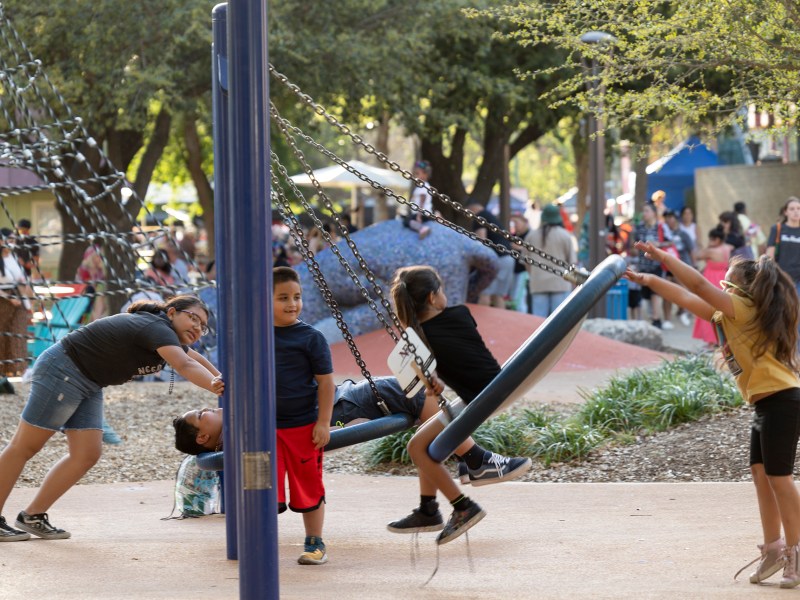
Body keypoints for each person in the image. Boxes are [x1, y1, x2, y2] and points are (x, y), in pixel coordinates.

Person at [625, 242, 800, 589]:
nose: (720, 285)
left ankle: (795, 550)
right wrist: (649, 279)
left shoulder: (745, 308)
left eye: (728, 282)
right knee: (760, 474)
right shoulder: (727, 314)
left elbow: (698, 287)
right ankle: (774, 548)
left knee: (779, 478)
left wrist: (664, 258)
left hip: (783, 400)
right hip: (764, 404)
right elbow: (687, 299)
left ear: (743, 290)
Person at [0, 295, 224, 542]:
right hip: (64, 371)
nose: (197, 327)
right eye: (193, 318)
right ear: (171, 313)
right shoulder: (155, 327)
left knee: (86, 454)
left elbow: (197, 359)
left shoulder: (167, 336)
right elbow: (185, 366)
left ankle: (33, 515)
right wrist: (220, 388)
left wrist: (225, 381)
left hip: (89, 381)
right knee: (24, 446)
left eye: (202, 326)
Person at [387, 265, 531, 545]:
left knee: (416, 448)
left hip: (479, 398)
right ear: (432, 297)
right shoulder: (461, 314)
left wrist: (432, 380)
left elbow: (427, 380)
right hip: (488, 391)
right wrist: (434, 381)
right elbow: (459, 355)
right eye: (441, 289)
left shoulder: (419, 342)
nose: (445, 295)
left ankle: (463, 505)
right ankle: (429, 508)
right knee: (424, 444)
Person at [274, 266, 334, 564]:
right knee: (261, 483)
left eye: (297, 296)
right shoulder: (254, 336)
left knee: (308, 484)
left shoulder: (311, 337)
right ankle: (259, 538)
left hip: (302, 426)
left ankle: (315, 542)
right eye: (283, 297)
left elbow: (326, 382)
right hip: (264, 428)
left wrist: (323, 422)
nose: (292, 303)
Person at [523, 203, 576, 318]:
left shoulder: (531, 235)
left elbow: (526, 261)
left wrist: (533, 275)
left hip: (538, 282)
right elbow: (572, 262)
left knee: (539, 321)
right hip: (561, 282)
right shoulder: (564, 235)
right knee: (559, 320)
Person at [468, 202, 515, 308]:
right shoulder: (491, 217)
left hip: (497, 259)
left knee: (485, 293)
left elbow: (481, 240)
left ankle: (482, 323)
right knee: (498, 295)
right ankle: (501, 322)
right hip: (508, 258)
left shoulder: (480, 217)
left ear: (472, 209)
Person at [691, 227, 733, 346]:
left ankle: (711, 341)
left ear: (717, 240)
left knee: (709, 308)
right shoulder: (727, 248)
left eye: (711, 239)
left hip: (712, 280)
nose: (709, 241)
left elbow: (697, 256)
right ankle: (722, 340)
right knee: (722, 310)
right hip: (724, 280)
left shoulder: (711, 251)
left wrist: (702, 244)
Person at [630, 203, 667, 329]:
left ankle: (656, 319)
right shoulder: (639, 228)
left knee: (655, 292)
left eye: (647, 211)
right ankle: (652, 317)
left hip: (657, 264)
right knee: (646, 294)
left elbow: (671, 241)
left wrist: (659, 245)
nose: (644, 214)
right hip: (643, 265)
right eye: (643, 211)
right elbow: (633, 245)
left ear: (653, 213)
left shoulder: (661, 227)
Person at [0, 230, 30, 377]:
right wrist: (8, 297)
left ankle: (19, 368)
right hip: (3, 301)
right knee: (3, 334)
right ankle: (4, 370)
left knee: (18, 333)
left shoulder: (14, 258)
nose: (12, 242)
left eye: (14, 239)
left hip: (19, 298)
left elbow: (21, 279)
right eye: (9, 239)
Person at [766, 196, 800, 296]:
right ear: (786, 212)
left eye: (798, 208)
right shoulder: (777, 228)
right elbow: (769, 255)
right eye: (792, 209)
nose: (796, 211)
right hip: (781, 277)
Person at [75, 238, 107, 322]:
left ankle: (97, 318)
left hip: (95, 296)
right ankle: (94, 319)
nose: (99, 259)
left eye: (100, 256)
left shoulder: (100, 270)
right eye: (97, 256)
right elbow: (82, 285)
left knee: (101, 290)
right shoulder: (84, 269)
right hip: (84, 296)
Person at [402, 160, 434, 240]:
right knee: (406, 217)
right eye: (415, 173)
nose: (416, 176)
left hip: (422, 213)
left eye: (418, 173)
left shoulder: (423, 186)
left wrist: (419, 216)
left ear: (425, 174)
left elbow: (422, 201)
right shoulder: (423, 186)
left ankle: (422, 228)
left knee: (406, 221)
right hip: (422, 213)